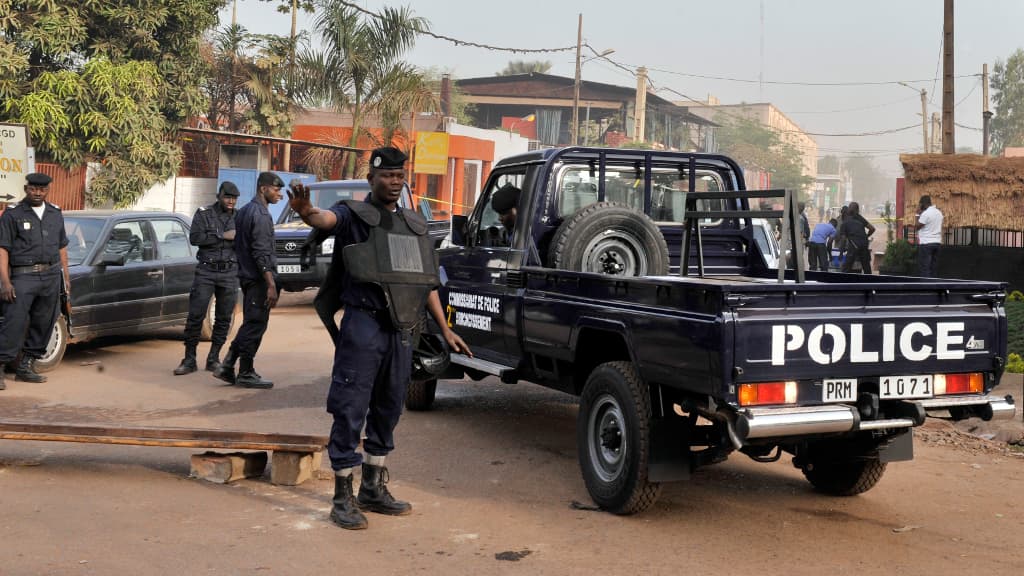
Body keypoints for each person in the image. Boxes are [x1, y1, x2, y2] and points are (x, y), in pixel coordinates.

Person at [288, 146, 471, 530]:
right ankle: (342, 497)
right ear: (371, 179)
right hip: (363, 325)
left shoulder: (414, 224)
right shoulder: (353, 215)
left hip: (402, 330)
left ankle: (373, 487)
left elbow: (427, 283)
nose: (394, 182)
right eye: (386, 176)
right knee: (351, 406)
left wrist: (445, 328)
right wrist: (307, 213)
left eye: (400, 176)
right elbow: (325, 220)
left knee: (389, 407)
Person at [0, 173, 71, 390]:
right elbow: (3, 249)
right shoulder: (12, 215)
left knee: (44, 322)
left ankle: (26, 366)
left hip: (50, 276)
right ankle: (1, 367)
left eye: (42, 189)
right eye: (32, 189)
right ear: (26, 188)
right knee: (14, 323)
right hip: (23, 276)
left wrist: (66, 279)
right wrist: (5, 282)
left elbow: (61, 248)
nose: (37, 193)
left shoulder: (55, 213)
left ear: (48, 189)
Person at [213, 172, 282, 389]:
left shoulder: (243, 212)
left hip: (247, 276)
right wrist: (270, 284)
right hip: (259, 279)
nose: (279, 194)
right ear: (263, 189)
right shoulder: (260, 215)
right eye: (275, 189)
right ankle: (245, 371)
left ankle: (228, 365)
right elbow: (261, 253)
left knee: (251, 323)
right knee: (255, 325)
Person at [174, 181, 240, 375]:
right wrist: (223, 236)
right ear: (219, 196)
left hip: (229, 272)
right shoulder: (204, 214)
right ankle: (189, 359)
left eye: (234, 199)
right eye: (227, 197)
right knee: (195, 316)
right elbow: (195, 238)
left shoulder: (240, 217)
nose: (230, 202)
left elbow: (244, 241)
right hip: (206, 271)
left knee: (223, 318)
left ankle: (214, 358)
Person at [838, 202, 876, 274]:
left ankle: (841, 282)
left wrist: (840, 253)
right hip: (864, 244)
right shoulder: (860, 218)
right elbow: (872, 229)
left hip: (854, 245)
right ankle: (870, 283)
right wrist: (865, 237)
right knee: (866, 267)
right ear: (857, 210)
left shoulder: (845, 222)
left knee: (846, 267)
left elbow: (843, 239)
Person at [915, 195, 943, 277]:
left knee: (925, 268)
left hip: (926, 244)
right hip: (937, 243)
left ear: (923, 204)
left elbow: (917, 226)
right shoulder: (939, 213)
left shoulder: (926, 214)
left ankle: (925, 287)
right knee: (933, 268)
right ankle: (933, 286)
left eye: (920, 204)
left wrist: (917, 214)